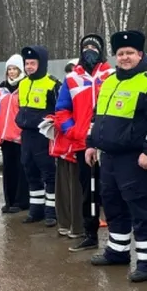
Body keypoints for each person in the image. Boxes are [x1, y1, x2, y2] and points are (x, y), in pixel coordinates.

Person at [85, 30, 147, 283]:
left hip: (135, 158)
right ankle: (117, 252)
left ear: (140, 54)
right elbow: (97, 117)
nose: (125, 57)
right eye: (121, 53)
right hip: (108, 156)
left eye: (130, 53)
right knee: (114, 206)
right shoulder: (108, 80)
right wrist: (90, 144)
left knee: (142, 208)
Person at [55, 34, 114, 252]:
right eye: (86, 47)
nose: (90, 51)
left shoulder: (112, 75)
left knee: (109, 191)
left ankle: (117, 239)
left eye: (94, 47)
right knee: (87, 191)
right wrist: (72, 131)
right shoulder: (72, 78)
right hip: (82, 145)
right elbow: (62, 110)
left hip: (107, 145)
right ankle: (90, 234)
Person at [16, 45, 61, 226]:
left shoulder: (52, 84)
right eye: (27, 63)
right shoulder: (23, 83)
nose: (29, 67)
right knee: (30, 171)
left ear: (41, 64)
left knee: (48, 173)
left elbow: (60, 110)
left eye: (32, 63)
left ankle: (51, 212)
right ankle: (36, 211)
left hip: (44, 135)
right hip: (26, 135)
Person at [0, 55, 29, 214]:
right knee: (8, 170)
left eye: (14, 69)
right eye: (9, 69)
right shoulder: (2, 89)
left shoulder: (25, 86)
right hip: (5, 137)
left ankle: (20, 201)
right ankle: (9, 200)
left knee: (21, 170)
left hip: (19, 136)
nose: (11, 72)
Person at [52, 60, 84, 238]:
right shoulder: (65, 88)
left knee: (77, 188)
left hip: (78, 144)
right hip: (64, 144)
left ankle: (78, 225)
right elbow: (60, 110)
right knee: (63, 188)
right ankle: (64, 222)